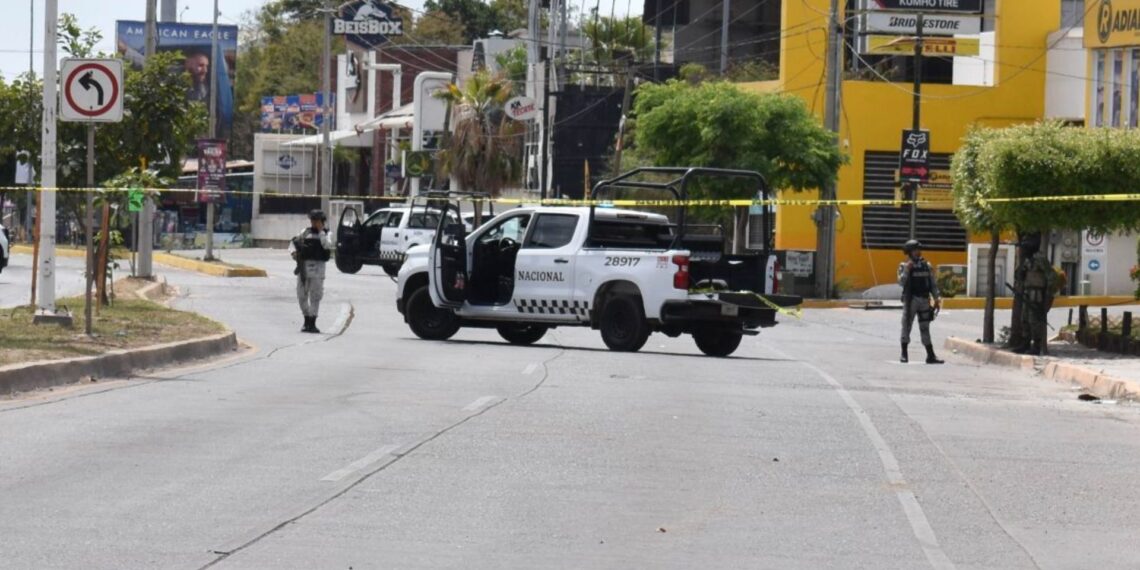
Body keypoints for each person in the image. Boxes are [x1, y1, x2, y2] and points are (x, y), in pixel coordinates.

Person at [898, 239, 944, 364]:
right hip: (911, 300)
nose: (918, 252)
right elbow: (901, 282)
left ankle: (930, 355)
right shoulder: (904, 266)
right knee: (906, 326)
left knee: (925, 327)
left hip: (924, 299)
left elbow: (932, 284)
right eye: (916, 250)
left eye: (919, 249)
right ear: (910, 252)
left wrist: (937, 298)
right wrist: (907, 269)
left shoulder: (926, 265)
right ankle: (904, 353)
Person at [290, 210, 333, 333]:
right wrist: (293, 252)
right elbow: (293, 243)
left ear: (322, 221)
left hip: (318, 270)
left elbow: (327, 245)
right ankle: (306, 319)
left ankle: (312, 322)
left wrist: (321, 232)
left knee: (315, 296)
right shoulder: (305, 232)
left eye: (316, 221)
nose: (313, 223)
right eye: (312, 220)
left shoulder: (327, 233)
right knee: (301, 295)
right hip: (304, 269)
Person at [1015, 235, 1056, 356]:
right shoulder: (1028, 260)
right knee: (1025, 319)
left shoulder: (1040, 259)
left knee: (1034, 320)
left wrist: (1048, 294)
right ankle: (1025, 343)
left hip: (1037, 294)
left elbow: (1051, 276)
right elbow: (1020, 275)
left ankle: (1036, 345)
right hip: (1027, 292)